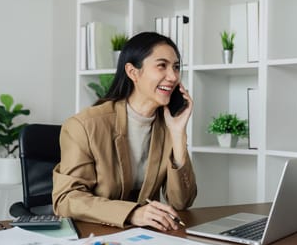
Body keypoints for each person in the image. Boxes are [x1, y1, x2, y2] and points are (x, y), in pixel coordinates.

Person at [52, 32, 197, 231]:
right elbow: (66, 199)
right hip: (94, 235)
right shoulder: (84, 125)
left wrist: (179, 134)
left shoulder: (167, 125)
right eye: (162, 65)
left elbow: (182, 202)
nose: (172, 77)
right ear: (132, 72)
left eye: (176, 67)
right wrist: (133, 213)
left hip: (145, 236)